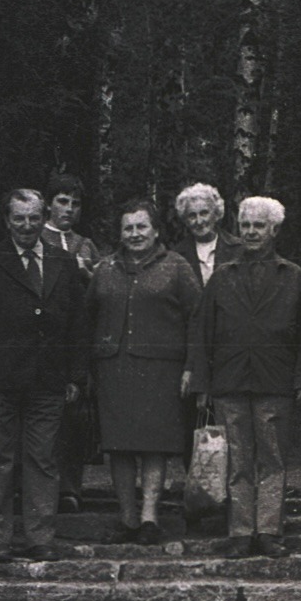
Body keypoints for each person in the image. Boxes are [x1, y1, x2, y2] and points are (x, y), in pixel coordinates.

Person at [0, 188, 87, 563]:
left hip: (48, 380)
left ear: (43, 216)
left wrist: (75, 376)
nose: (27, 226)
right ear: (7, 220)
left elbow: (76, 323)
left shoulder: (64, 262)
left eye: (33, 218)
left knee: (43, 459)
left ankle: (39, 537)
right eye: (19, 218)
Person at [188, 196, 301, 558]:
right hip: (229, 383)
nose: (250, 232)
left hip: (275, 382)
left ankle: (268, 531)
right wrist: (202, 383)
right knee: (238, 459)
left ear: (273, 230)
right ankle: (241, 531)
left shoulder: (292, 277)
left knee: (272, 459)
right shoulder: (222, 276)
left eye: (258, 226)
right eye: (245, 225)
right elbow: (203, 333)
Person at [88, 199, 200, 544]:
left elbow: (197, 320)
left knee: (155, 444)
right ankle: (128, 518)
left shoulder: (177, 267)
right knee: (119, 445)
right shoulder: (104, 269)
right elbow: (87, 318)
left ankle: (150, 517)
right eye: (128, 228)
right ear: (120, 233)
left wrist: (191, 367)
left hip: (161, 372)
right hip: (114, 370)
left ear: (155, 231)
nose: (135, 234)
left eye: (141, 227)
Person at [43, 173, 101, 513]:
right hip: (46, 342)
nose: (68, 209)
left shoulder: (86, 244)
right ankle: (39, 487)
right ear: (49, 204)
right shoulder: (36, 237)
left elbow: (101, 292)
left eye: (75, 203)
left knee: (75, 417)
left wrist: (89, 275)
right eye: (62, 201)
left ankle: (70, 487)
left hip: (79, 342)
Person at [170, 182, 242, 287]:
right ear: (185, 220)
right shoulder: (177, 255)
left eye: (204, 213)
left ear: (216, 214)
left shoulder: (238, 249)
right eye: (192, 216)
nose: (199, 221)